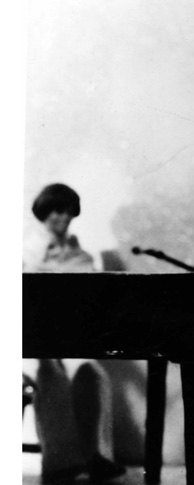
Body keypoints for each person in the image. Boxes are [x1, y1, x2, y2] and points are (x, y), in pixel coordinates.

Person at [23, 183, 126, 484]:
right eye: (57, 211)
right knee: (49, 373)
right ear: (44, 212)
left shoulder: (81, 255)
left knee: (90, 372)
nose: (64, 217)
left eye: (69, 211)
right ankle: (60, 463)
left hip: (67, 340)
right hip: (27, 343)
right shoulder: (23, 249)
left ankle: (97, 457)